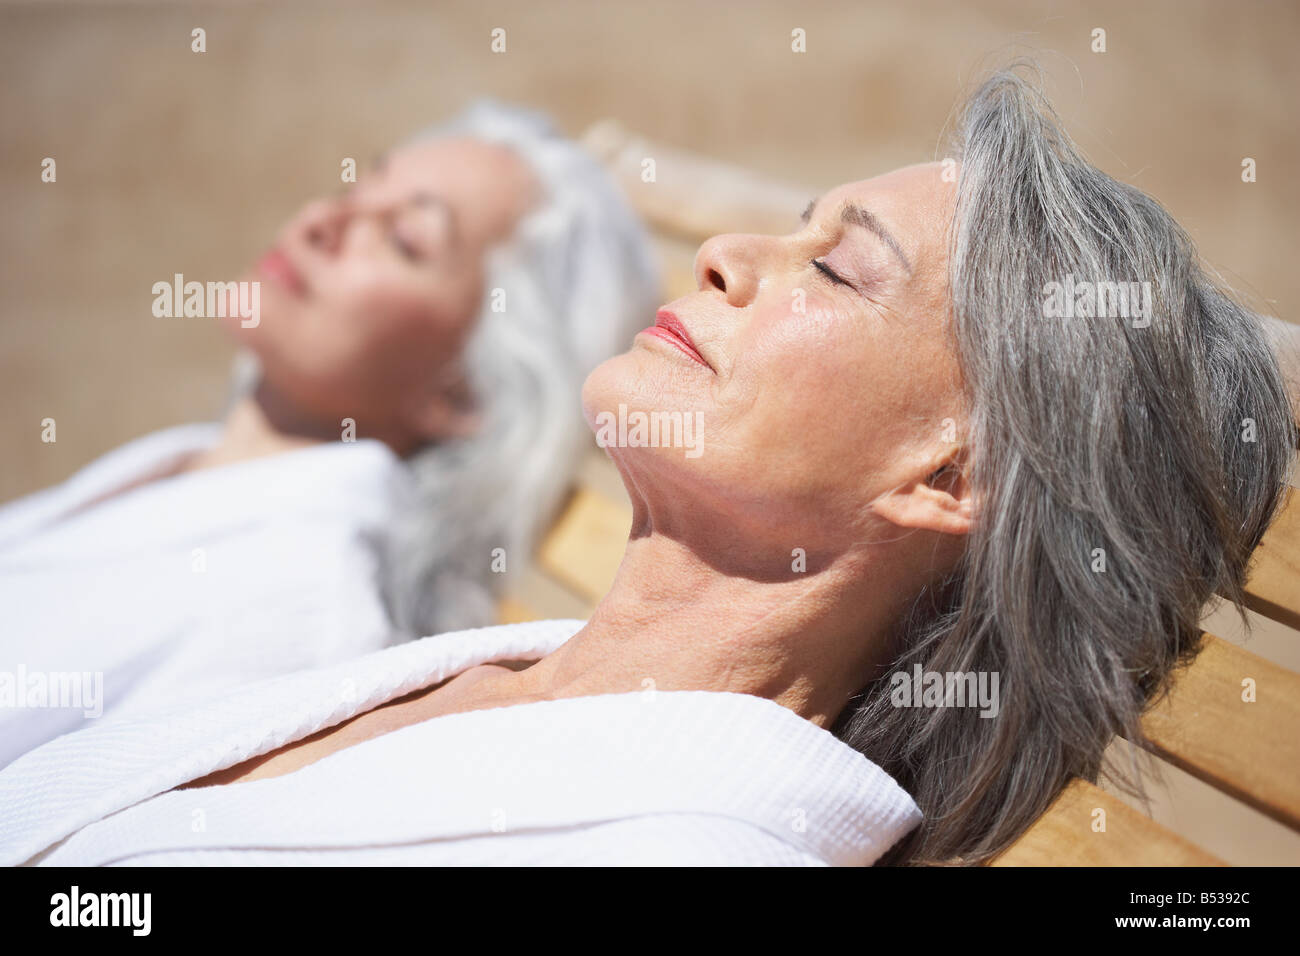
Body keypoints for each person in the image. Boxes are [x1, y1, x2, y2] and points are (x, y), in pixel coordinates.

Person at [2, 66, 1294, 867]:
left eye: (837, 268)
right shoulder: (494, 673)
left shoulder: (691, 850)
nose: (727, 252)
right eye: (793, 224)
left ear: (951, 481)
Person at [0, 101, 660, 768]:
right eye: (354, 190)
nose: (320, 221)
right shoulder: (182, 469)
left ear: (463, 391)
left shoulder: (299, 624)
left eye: (404, 240)